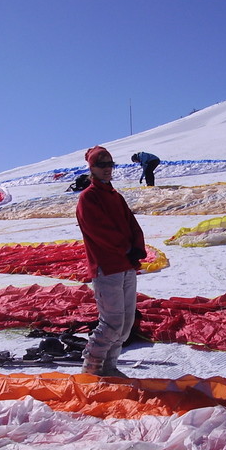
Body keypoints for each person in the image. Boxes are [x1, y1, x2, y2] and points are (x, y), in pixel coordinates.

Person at [76, 146, 147, 378]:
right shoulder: (88, 198)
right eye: (101, 165)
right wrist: (127, 249)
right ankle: (92, 368)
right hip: (107, 267)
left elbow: (132, 224)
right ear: (92, 168)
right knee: (112, 322)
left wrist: (137, 247)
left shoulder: (115, 196)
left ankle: (109, 367)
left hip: (126, 266)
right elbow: (101, 232)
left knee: (125, 324)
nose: (107, 169)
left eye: (110, 164)